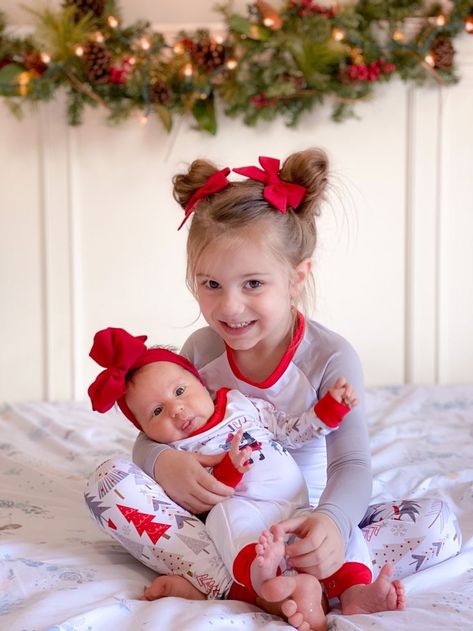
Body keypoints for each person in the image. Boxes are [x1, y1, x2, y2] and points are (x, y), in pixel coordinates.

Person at [84, 148, 461, 629]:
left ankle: (287, 575)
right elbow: (156, 424)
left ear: (296, 277)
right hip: (226, 525)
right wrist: (162, 462)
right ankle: (245, 581)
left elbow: (352, 464)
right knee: (108, 482)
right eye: (211, 284)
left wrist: (331, 524)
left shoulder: (330, 356)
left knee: (438, 525)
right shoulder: (200, 349)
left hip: (304, 515)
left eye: (253, 283)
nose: (230, 306)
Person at [87, 326, 403, 629]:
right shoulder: (177, 448)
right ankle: (266, 583)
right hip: (240, 507)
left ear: (200, 381)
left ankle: (353, 592)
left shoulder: (241, 403)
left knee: (346, 535)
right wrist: (229, 469)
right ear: (144, 430)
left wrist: (329, 410)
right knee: (230, 525)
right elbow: (210, 493)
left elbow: (291, 431)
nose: (177, 410)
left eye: (180, 391)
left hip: (294, 503)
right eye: (156, 412)